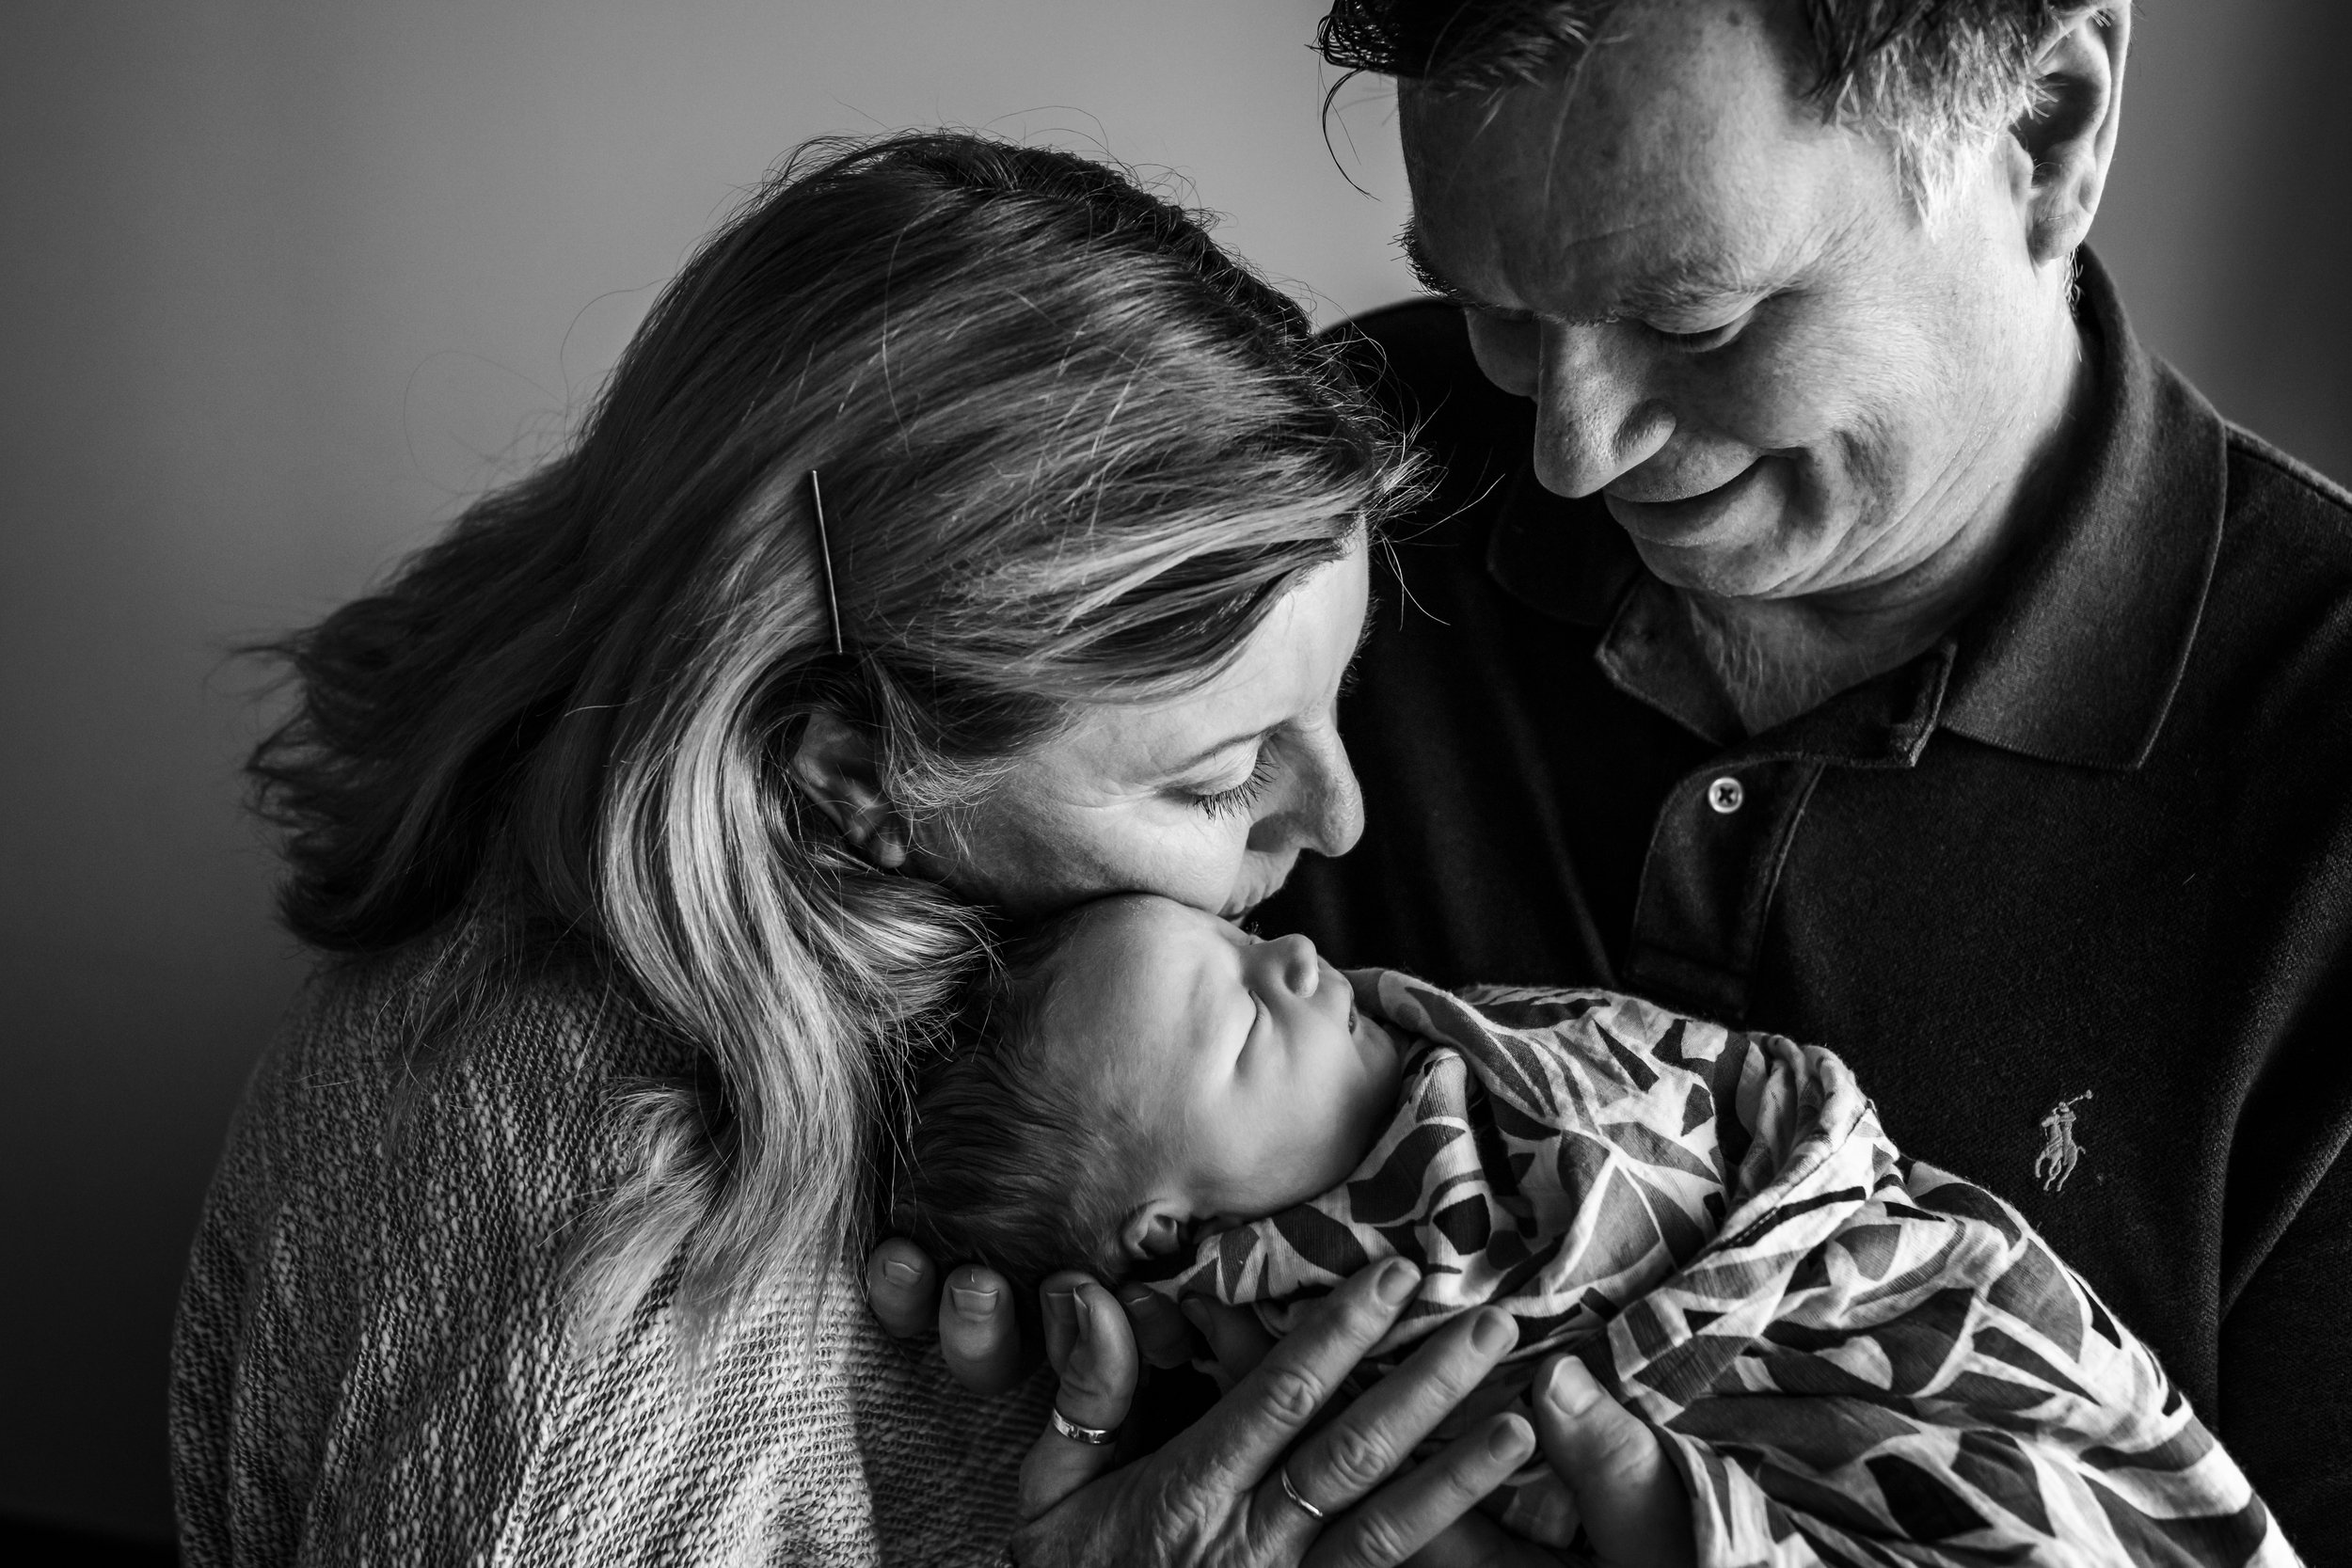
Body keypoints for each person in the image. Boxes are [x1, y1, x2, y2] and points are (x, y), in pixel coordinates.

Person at [877, 0, 2352, 1559]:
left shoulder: (2318, 803)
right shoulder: (1342, 509)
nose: (1569, 450)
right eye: (1503, 311)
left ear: (2044, 127)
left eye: (1697, 317)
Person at [170, 131, 1581, 1567]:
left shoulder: (963, 1021)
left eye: (1333, 703)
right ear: (848, 770)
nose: (1340, 822)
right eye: (1219, 778)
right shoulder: (584, 1311)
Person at [902, 893, 2290, 1563]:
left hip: (1862, 1279)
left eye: (1240, 936)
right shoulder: (1277, 1314)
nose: (1298, 949)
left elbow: (1696, 1105)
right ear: (1166, 1235)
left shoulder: (1449, 1058)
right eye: (1243, 1009)